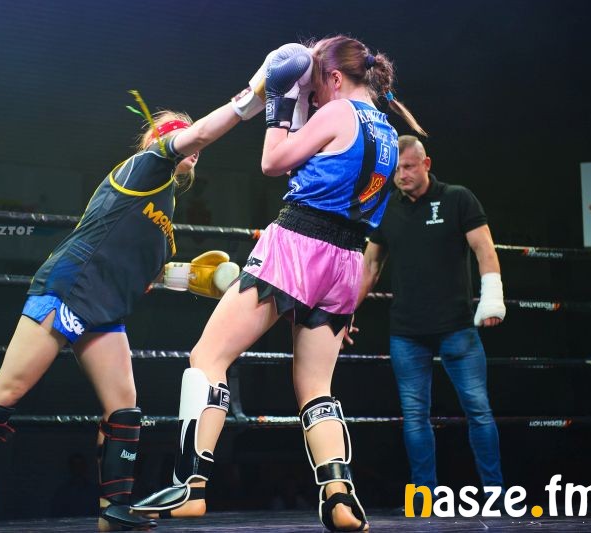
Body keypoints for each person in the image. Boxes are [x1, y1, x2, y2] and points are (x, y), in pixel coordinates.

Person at [0, 88, 258, 533]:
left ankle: (113, 510)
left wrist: (194, 277)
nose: (193, 144)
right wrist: (248, 102)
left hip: (105, 308)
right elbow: (196, 135)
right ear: (159, 140)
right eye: (181, 133)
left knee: (124, 409)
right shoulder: (146, 166)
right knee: (10, 388)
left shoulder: (165, 202)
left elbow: (145, 272)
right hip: (69, 287)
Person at [132, 36, 426, 532]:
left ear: (335, 78)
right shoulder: (388, 133)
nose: (314, 95)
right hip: (346, 263)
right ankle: (340, 496)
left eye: (318, 86)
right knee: (316, 386)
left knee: (208, 357)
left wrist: (280, 102)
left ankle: (190, 485)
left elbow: (272, 162)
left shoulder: (340, 112)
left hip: (298, 245)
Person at [357, 135, 505, 508]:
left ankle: (495, 494)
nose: (401, 175)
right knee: (414, 417)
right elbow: (370, 266)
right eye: (396, 169)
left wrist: (492, 298)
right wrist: (346, 311)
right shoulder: (387, 208)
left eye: (409, 167)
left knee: (478, 410)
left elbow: (484, 249)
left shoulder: (457, 198)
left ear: (426, 164)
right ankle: (425, 497)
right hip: (407, 332)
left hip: (457, 326)